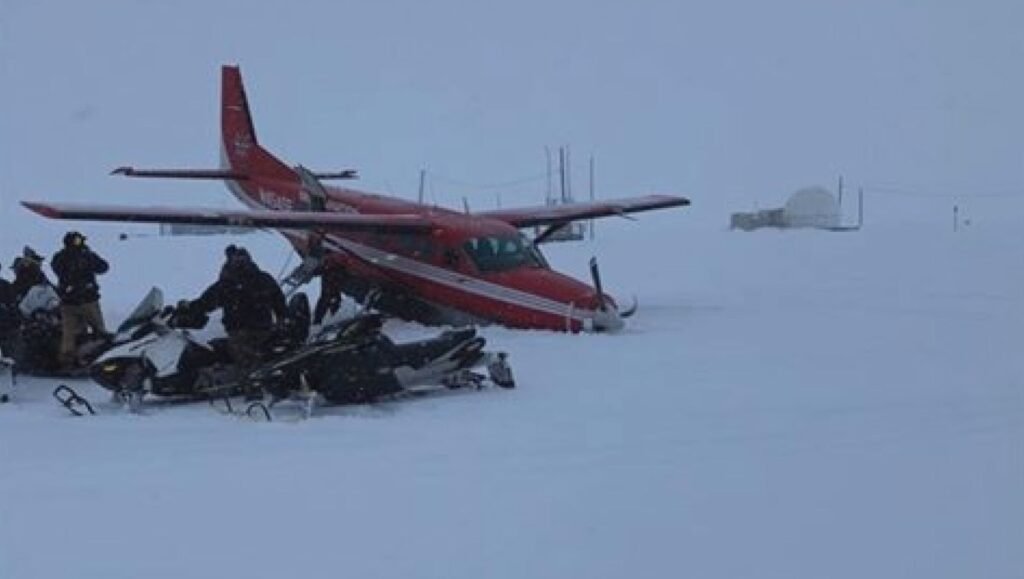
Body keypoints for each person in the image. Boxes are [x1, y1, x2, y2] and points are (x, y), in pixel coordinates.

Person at [186, 246, 288, 381]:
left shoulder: (228, 283)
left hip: (243, 330)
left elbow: (206, 302)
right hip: (262, 327)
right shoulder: (263, 278)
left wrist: (190, 309)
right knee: (227, 347)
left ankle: (252, 383)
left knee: (242, 353)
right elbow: (279, 301)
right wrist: (282, 318)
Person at [50, 231, 109, 368]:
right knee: (92, 331)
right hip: (81, 300)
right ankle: (87, 358)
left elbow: (103, 267)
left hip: (75, 300)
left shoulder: (68, 256)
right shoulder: (68, 257)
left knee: (71, 334)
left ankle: (74, 359)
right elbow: (102, 267)